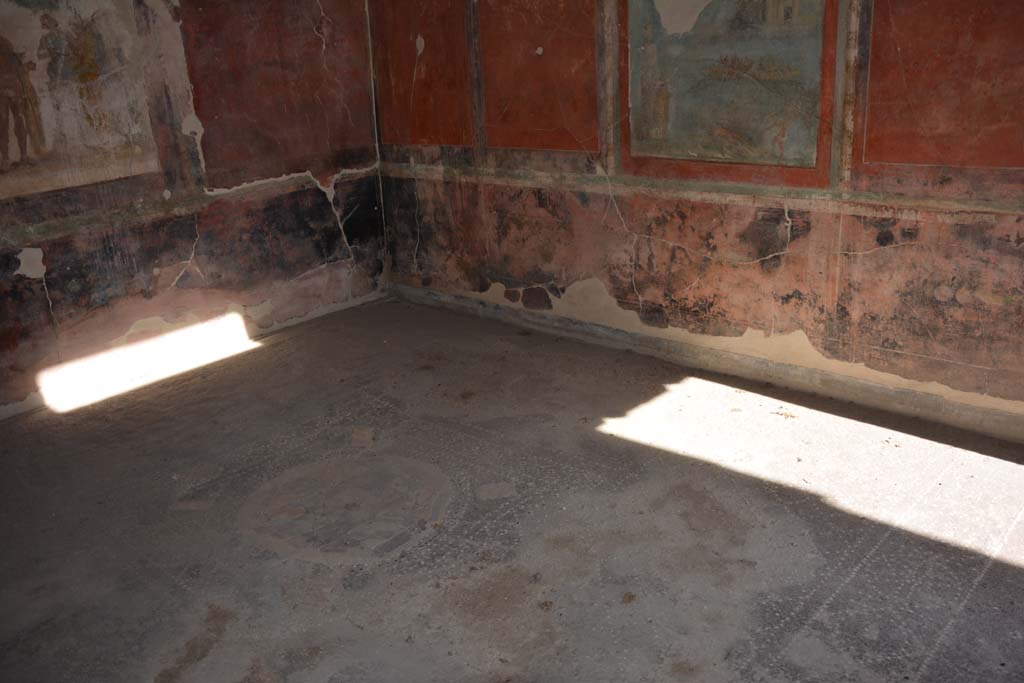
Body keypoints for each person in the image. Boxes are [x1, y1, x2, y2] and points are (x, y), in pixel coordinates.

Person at [0, 35, 45, 171]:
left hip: (16, 94)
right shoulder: (12, 57)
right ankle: (6, 159)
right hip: (3, 95)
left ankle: (23, 156)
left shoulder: (13, 58)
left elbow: (21, 75)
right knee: (3, 125)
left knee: (19, 124)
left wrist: (24, 92)